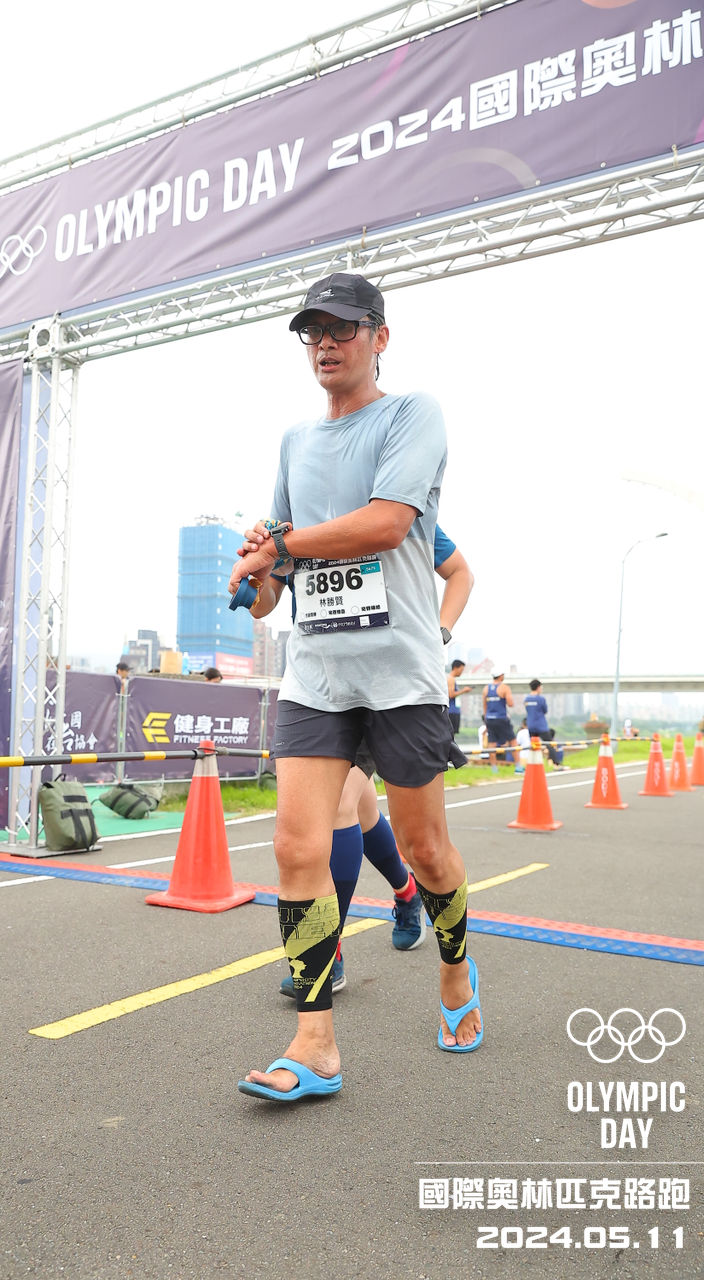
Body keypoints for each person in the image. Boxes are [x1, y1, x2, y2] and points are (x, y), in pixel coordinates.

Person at [228, 272, 482, 1103]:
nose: (325, 344)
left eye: (342, 328)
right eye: (313, 331)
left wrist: (282, 545)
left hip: (401, 675)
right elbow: (273, 592)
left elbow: (385, 523)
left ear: (379, 336)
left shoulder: (411, 414)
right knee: (295, 847)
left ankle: (454, 969)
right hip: (317, 676)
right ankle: (315, 1043)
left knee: (424, 850)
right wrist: (258, 572)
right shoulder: (293, 441)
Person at [249, 522, 474, 990]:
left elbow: (460, 573)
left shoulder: (396, 509)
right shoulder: (293, 522)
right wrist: (257, 579)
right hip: (321, 687)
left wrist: (440, 631)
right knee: (355, 808)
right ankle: (390, 904)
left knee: (406, 838)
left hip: (393, 686)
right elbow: (264, 603)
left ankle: (441, 954)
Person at [524, 678, 565, 768]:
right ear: (538, 687)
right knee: (549, 744)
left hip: (531, 725)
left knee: (533, 745)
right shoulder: (541, 699)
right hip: (541, 725)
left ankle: (533, 764)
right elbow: (545, 710)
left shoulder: (526, 699)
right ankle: (556, 764)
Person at [483, 667, 519, 771]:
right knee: (513, 741)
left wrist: (486, 720)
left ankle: (494, 768)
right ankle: (518, 766)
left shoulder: (486, 688)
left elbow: (484, 706)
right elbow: (510, 703)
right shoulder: (504, 687)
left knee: (492, 743)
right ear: (501, 676)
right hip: (501, 718)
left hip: (489, 719)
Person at [447, 659, 471, 737]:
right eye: (461, 670)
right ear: (455, 668)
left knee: (452, 735)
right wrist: (464, 690)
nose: (461, 672)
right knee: (450, 735)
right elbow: (451, 694)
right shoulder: (450, 679)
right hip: (452, 711)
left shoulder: (452, 679)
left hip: (454, 711)